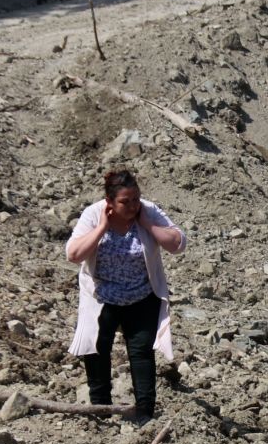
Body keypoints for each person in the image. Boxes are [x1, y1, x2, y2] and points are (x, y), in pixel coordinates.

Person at [65, 169, 186, 419]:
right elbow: (74, 254)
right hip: (102, 295)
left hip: (141, 294)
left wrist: (148, 224)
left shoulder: (147, 211)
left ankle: (144, 412)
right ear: (109, 201)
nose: (132, 206)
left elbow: (177, 244)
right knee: (97, 350)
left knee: (141, 352)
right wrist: (101, 228)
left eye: (135, 199)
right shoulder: (93, 214)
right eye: (124, 201)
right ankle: (101, 409)